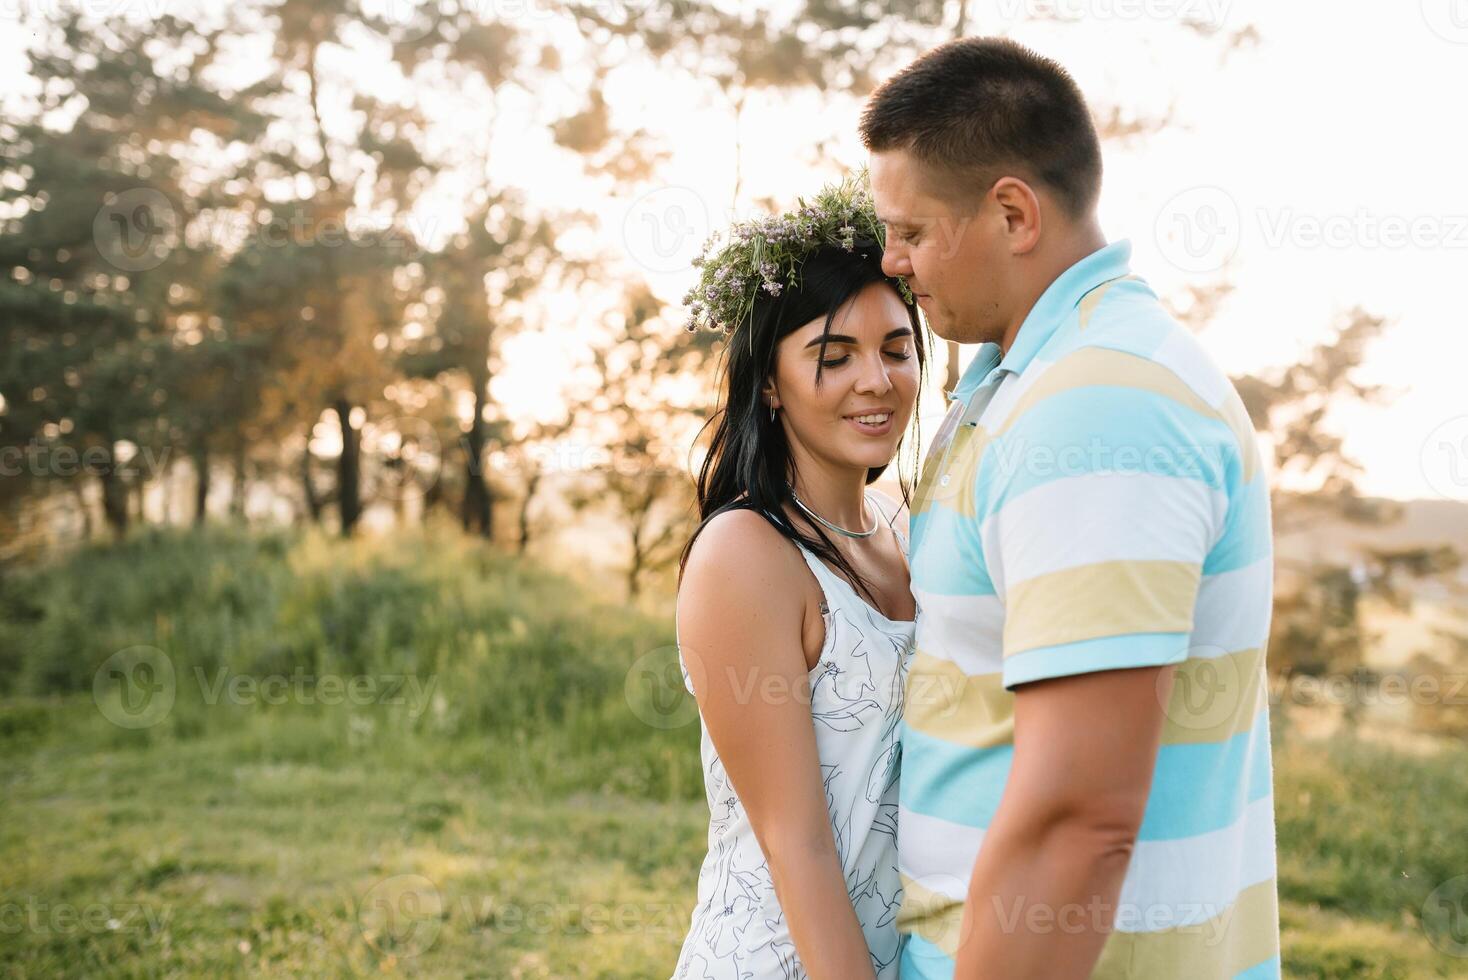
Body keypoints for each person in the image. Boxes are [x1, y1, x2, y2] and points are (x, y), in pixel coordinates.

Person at [861, 37, 1282, 979]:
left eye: (913, 231)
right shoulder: (1038, 378)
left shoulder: (1098, 404)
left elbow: (1077, 823)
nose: (891, 261)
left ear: (1012, 212)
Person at [671, 176, 931, 978]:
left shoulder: (906, 526)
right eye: (834, 355)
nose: (876, 381)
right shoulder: (746, 553)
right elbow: (797, 842)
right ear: (772, 385)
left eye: (896, 348)